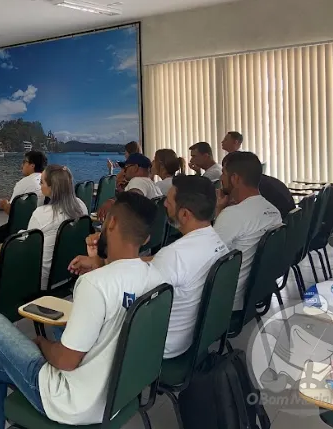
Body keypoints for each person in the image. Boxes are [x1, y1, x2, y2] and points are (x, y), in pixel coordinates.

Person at [0, 192, 165, 428]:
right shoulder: (156, 278)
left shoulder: (94, 285)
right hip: (119, 395)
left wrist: (41, 344)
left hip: (73, 402)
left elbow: (66, 361)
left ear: (112, 223)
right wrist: (99, 263)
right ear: (146, 238)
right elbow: (118, 284)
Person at [151, 175, 229, 358]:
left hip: (162, 347)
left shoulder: (174, 255)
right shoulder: (216, 242)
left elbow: (138, 303)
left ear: (185, 214)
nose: (164, 204)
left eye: (169, 202)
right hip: (191, 339)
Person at [213, 152, 282, 310]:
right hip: (253, 296)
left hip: (226, 302)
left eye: (223, 173)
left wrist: (220, 212)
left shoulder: (233, 215)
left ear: (235, 178)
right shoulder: (274, 211)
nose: (221, 178)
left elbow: (206, 257)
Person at [25, 165, 87, 289]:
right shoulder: (81, 206)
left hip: (42, 281)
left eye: (42, 182)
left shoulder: (41, 214)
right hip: (70, 274)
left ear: (52, 187)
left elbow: (28, 248)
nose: (40, 186)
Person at [97, 153, 161, 220]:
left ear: (135, 168)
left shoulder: (138, 180)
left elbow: (133, 196)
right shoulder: (154, 186)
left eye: (126, 168)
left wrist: (113, 201)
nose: (124, 172)